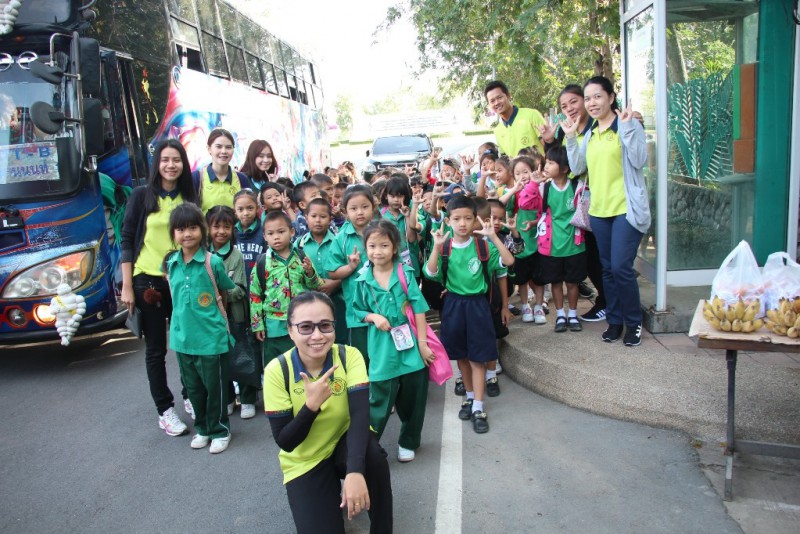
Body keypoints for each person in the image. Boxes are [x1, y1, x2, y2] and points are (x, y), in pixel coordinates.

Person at [263, 291, 393, 534]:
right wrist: (310, 407)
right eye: (305, 327)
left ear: (334, 326)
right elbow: (286, 441)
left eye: (325, 325)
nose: (317, 335)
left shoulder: (348, 356)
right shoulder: (277, 371)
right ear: (290, 331)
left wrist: (355, 471)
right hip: (306, 460)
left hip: (345, 443)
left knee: (374, 458)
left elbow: (360, 416)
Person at [562, 76, 651, 346]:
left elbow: (639, 160)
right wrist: (570, 138)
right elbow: (578, 168)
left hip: (625, 209)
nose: (592, 103)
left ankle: (633, 322)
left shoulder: (627, 125)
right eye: (588, 98)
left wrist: (628, 128)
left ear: (611, 98)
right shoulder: (590, 134)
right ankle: (615, 321)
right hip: (599, 212)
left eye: (597, 96)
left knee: (622, 267)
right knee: (608, 269)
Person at [120, 139, 197, 437]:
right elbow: (127, 239)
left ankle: (190, 395)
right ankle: (165, 410)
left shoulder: (189, 197)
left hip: (182, 279)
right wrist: (127, 286)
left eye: (176, 160)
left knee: (187, 342)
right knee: (156, 349)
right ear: (156, 164)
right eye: (165, 160)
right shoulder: (141, 196)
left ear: (183, 164)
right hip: (147, 281)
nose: (170, 165)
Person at [424, 195, 515, 433]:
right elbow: (431, 272)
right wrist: (436, 246)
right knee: (462, 357)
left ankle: (479, 407)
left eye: (467, 218)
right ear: (448, 221)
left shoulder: (483, 246)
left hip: (477, 306)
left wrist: (493, 236)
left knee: (477, 358)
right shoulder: (444, 248)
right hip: (453, 305)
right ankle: (471, 397)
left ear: (476, 220)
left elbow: (508, 260)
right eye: (456, 219)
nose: (462, 223)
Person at [353, 221, 434, 462]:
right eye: (372, 246)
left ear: (395, 247)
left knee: (413, 398)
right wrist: (373, 317)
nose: (378, 251)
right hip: (382, 349)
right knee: (378, 400)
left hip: (410, 347)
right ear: (365, 248)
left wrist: (422, 344)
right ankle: (367, 446)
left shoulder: (404, 273)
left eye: (384, 245)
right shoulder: (362, 280)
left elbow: (419, 309)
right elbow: (357, 310)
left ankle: (408, 441)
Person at [164, 203, 236, 453]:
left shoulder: (212, 262)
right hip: (182, 340)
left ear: (202, 230)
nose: (187, 234)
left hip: (211, 339)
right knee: (193, 389)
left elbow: (224, 293)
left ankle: (220, 430)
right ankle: (203, 428)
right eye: (180, 229)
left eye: (193, 228)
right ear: (173, 233)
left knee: (215, 388)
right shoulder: (171, 263)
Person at [541, 84, 607, 322]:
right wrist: (549, 142)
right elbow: (559, 162)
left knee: (601, 257)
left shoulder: (598, 126)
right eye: (564, 105)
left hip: (600, 199)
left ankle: (608, 302)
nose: (569, 108)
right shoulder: (564, 131)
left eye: (574, 102)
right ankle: (605, 301)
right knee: (588, 258)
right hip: (576, 205)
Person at [518, 146, 586, 333]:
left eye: (551, 163)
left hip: (574, 245)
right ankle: (560, 315)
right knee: (556, 282)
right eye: (546, 162)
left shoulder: (577, 186)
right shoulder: (543, 188)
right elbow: (524, 203)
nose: (546, 166)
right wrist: (533, 184)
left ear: (564, 168)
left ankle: (573, 314)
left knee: (572, 282)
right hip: (551, 246)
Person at [251, 211, 322, 365]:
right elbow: (255, 295)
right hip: (273, 326)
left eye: (281, 232)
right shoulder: (262, 262)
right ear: (264, 237)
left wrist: (310, 272)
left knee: (301, 363)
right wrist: (257, 325)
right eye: (271, 233)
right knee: (276, 366)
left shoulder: (301, 257)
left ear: (292, 232)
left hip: (302, 321)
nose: (276, 237)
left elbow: (316, 286)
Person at [207, 205, 256, 419]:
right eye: (216, 226)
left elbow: (239, 290)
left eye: (226, 227)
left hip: (235, 315)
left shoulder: (236, 255)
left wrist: (218, 288)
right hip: (212, 318)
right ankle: (227, 398)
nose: (221, 231)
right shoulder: (204, 254)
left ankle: (247, 399)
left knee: (242, 355)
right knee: (219, 359)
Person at [325, 185, 376, 364]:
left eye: (364, 207)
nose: (359, 212)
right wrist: (350, 267)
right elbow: (332, 272)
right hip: (357, 312)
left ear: (373, 207)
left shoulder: (382, 231)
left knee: (384, 357)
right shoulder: (342, 238)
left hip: (384, 308)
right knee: (362, 359)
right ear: (345, 211)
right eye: (353, 208)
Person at [500, 155, 547, 324]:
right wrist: (513, 190)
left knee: (539, 277)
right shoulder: (514, 193)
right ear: (513, 175)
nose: (522, 176)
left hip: (538, 241)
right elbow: (501, 205)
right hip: (520, 242)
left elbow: (545, 213)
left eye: (526, 171)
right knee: (522, 279)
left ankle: (539, 305)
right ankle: (526, 305)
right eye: (518, 173)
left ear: (534, 171)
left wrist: (535, 222)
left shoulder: (542, 188)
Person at [295, 197, 348, 344]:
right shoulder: (299, 244)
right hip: (308, 301)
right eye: (313, 216)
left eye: (323, 216)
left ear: (330, 219)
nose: (318, 220)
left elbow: (349, 267)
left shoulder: (339, 241)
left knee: (339, 338)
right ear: (306, 218)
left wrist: (335, 283)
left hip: (337, 299)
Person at [192, 128, 253, 213]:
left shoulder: (242, 179)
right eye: (218, 147)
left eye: (228, 147)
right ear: (209, 149)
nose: (224, 151)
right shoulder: (197, 178)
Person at [485, 80, 547, 157]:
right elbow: (505, 159)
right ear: (489, 104)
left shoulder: (532, 115)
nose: (496, 103)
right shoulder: (498, 131)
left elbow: (549, 147)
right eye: (492, 101)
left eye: (499, 97)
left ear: (508, 96)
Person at [380, 176, 420, 277]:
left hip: (411, 262)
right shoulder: (381, 216)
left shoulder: (411, 211)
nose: (396, 200)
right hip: (391, 264)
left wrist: (407, 216)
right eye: (392, 196)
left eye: (400, 196)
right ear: (386, 196)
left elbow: (411, 239)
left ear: (405, 196)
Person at [232, 189, 265, 285]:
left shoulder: (264, 231)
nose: (245, 213)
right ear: (235, 211)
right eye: (240, 209)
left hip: (259, 283)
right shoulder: (231, 233)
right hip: (236, 284)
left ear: (257, 208)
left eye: (250, 208)